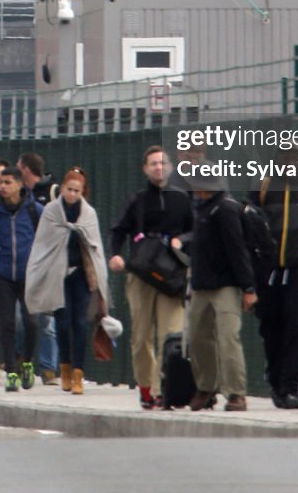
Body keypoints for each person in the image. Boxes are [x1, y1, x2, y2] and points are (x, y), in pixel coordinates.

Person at [109, 146, 192, 410]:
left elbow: (196, 231)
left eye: (162, 163)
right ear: (145, 169)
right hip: (142, 273)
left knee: (171, 335)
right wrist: (116, 255)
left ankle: (162, 390)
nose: (158, 167)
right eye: (153, 163)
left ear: (169, 167)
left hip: (172, 277)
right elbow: (118, 230)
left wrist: (182, 240)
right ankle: (145, 387)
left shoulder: (182, 198)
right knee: (141, 336)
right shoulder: (137, 200)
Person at [25, 167, 109, 395]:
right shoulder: (51, 212)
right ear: (62, 189)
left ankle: (78, 374)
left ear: (83, 192)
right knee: (62, 324)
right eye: (69, 190)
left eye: (77, 191)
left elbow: (95, 246)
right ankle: (64, 368)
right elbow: (43, 245)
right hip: (57, 275)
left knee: (80, 323)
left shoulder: (88, 214)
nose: (72, 194)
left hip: (81, 274)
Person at [250, 150, 298, 409]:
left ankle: (291, 387)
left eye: (297, 158)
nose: (292, 163)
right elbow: (251, 221)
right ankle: (275, 380)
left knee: (296, 326)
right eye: (286, 158)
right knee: (270, 326)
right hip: (268, 269)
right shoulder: (264, 185)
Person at [187, 170, 257, 413]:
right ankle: (206, 387)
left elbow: (238, 250)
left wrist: (248, 288)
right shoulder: (202, 208)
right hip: (201, 285)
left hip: (225, 285)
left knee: (228, 338)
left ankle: (236, 393)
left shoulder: (225, 209)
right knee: (197, 338)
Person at [0, 166, 43, 393]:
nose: (1, 187)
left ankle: (27, 363)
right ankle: (11, 371)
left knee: (32, 322)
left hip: (29, 274)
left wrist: (40, 268)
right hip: (2, 274)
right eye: (0, 183)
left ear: (19, 184)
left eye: (7, 182)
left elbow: (46, 242)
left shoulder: (35, 210)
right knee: (7, 323)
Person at [16, 152, 59, 384]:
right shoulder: (20, 196)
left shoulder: (52, 192)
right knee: (23, 319)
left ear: (26, 169)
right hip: (23, 266)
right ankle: (24, 360)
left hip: (46, 265)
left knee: (46, 320)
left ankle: (48, 368)